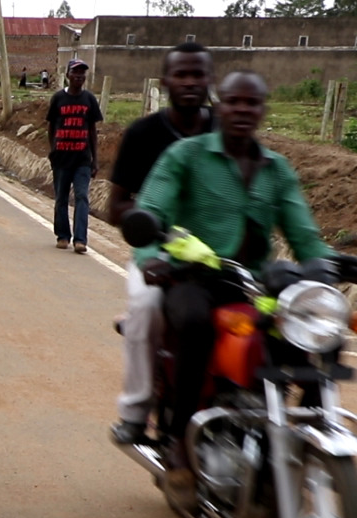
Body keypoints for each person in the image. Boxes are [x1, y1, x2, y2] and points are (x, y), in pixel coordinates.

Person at [134, 70, 336, 508]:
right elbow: (151, 209)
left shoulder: (276, 169)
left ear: (263, 110)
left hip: (252, 285)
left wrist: (329, 266)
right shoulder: (185, 156)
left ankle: (307, 442)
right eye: (233, 101)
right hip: (194, 279)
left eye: (252, 102)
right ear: (218, 106)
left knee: (314, 334)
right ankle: (178, 440)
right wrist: (150, 256)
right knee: (193, 323)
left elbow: (306, 238)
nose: (242, 109)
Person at [108, 42, 217, 446]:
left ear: (210, 80)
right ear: (165, 82)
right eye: (181, 75)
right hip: (158, 252)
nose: (189, 82)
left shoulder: (227, 129)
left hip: (221, 257)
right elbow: (115, 207)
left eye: (197, 75)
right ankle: (135, 411)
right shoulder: (143, 134)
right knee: (146, 307)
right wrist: (153, 223)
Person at [45, 58, 102, 254]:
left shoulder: (89, 99)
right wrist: (53, 150)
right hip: (61, 158)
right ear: (68, 75)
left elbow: (92, 131)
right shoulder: (58, 99)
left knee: (82, 196)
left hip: (82, 159)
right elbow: (51, 127)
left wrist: (95, 160)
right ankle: (62, 236)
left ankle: (80, 240)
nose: (79, 76)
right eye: (75, 72)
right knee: (61, 198)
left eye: (82, 73)